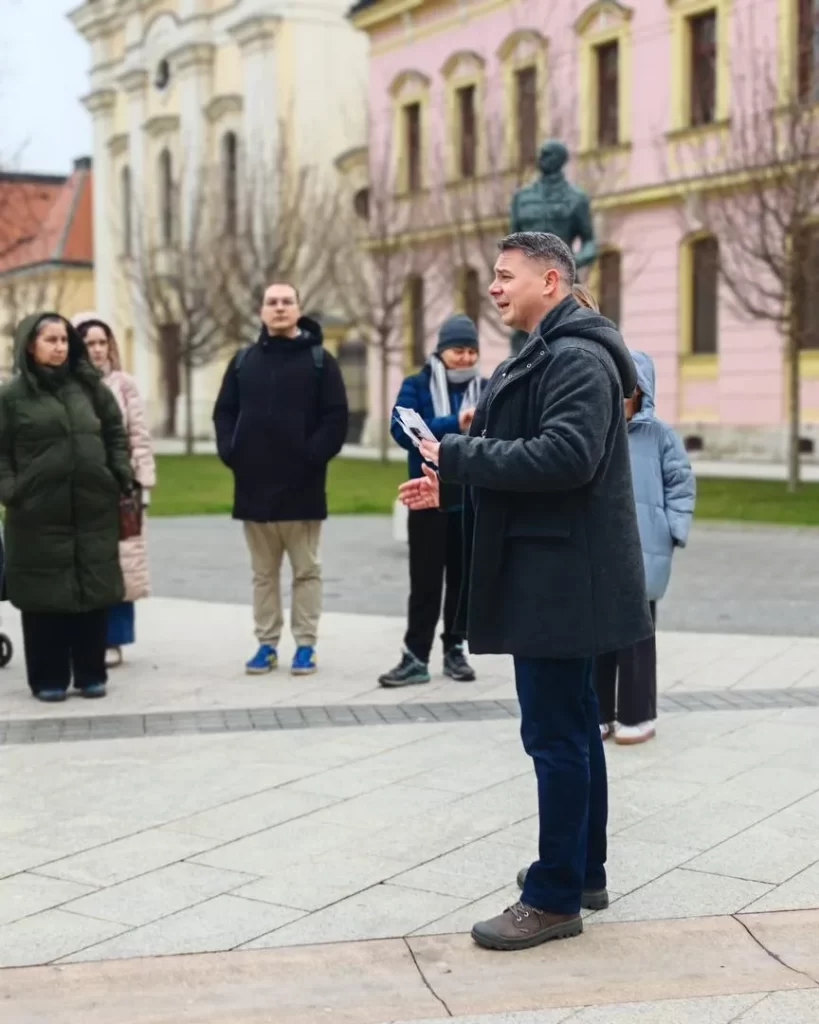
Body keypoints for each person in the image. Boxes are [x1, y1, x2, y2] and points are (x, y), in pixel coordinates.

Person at [402, 232, 651, 952]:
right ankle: (582, 872)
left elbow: (564, 457)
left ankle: (550, 897)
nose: (494, 288)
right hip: (561, 571)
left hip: (560, 579)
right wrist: (452, 480)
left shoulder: (572, 354)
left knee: (555, 734)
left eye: (506, 277)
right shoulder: (557, 347)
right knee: (573, 727)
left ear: (551, 279)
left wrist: (455, 452)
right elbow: (535, 454)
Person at [213, 282, 348, 677]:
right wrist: (231, 451)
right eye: (271, 302)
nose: (279, 308)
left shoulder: (321, 361)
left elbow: (336, 418)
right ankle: (266, 644)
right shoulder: (242, 362)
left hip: (302, 489)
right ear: (261, 311)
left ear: (299, 309)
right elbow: (224, 413)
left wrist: (312, 455)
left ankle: (305, 645)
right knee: (263, 575)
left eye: (286, 302)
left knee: (306, 571)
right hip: (253, 488)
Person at [0, 313, 133, 701]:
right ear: (30, 345)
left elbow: (114, 432)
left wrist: (118, 473)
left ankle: (91, 674)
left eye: (64, 340)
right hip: (36, 514)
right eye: (51, 340)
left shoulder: (89, 389)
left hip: (92, 509)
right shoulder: (11, 397)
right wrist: (12, 491)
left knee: (91, 590)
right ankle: (48, 678)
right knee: (44, 598)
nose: (60, 347)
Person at [595, 350, 696, 744]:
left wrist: (672, 529)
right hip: (601, 549)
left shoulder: (660, 436)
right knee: (598, 636)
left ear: (641, 389)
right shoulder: (595, 430)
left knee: (637, 637)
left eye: (626, 387)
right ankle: (599, 711)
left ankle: (638, 714)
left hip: (645, 550)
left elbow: (680, 483)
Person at [379, 314, 485, 688]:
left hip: (467, 500)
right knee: (424, 583)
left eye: (472, 351)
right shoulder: (417, 384)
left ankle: (455, 649)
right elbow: (402, 428)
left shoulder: (486, 387)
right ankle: (415, 657)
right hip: (426, 499)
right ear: (442, 351)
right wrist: (456, 421)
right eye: (459, 350)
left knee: (461, 581)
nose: (466, 358)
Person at [73, 312, 156, 669]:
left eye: (101, 342)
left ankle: (114, 639)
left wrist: (142, 483)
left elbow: (138, 435)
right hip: (80, 488)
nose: (96, 350)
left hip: (120, 488)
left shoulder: (124, 385)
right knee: (85, 562)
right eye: (89, 343)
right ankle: (83, 635)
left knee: (122, 563)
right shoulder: (68, 386)